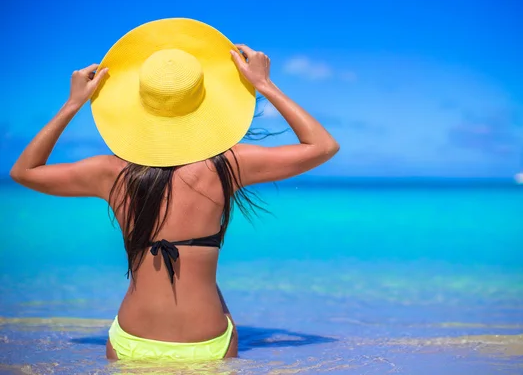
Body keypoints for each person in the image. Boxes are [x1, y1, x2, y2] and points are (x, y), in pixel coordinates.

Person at [9, 18, 339, 361]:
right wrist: (264, 84)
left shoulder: (110, 173)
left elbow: (24, 172)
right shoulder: (226, 166)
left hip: (130, 340)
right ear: (203, 104)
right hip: (207, 341)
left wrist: (73, 103)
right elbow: (322, 146)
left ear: (139, 105)